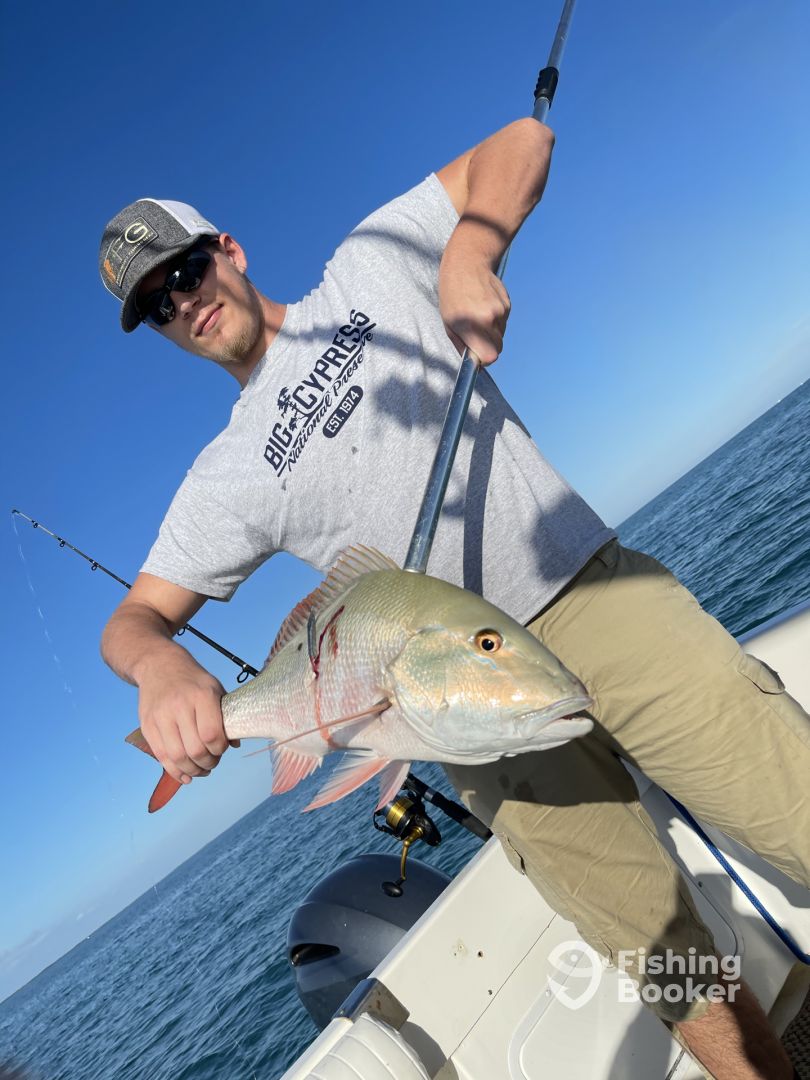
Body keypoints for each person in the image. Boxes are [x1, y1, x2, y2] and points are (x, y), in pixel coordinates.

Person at [98, 117, 808, 1079]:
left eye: (185, 271)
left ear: (229, 250)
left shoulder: (366, 269)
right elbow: (133, 620)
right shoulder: (224, 478)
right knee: (666, 957)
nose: (184, 302)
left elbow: (521, 142)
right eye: (156, 306)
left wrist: (469, 248)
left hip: (589, 599)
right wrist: (160, 668)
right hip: (457, 721)